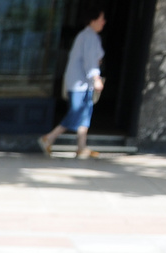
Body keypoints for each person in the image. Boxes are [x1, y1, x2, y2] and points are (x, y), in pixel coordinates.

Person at [41, 10, 106, 159]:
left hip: (81, 83)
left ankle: (82, 147)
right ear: (93, 20)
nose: (103, 22)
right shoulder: (90, 37)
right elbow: (90, 61)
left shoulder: (87, 36)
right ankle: (49, 137)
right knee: (76, 113)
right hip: (80, 83)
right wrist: (96, 77)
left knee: (84, 114)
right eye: (101, 19)